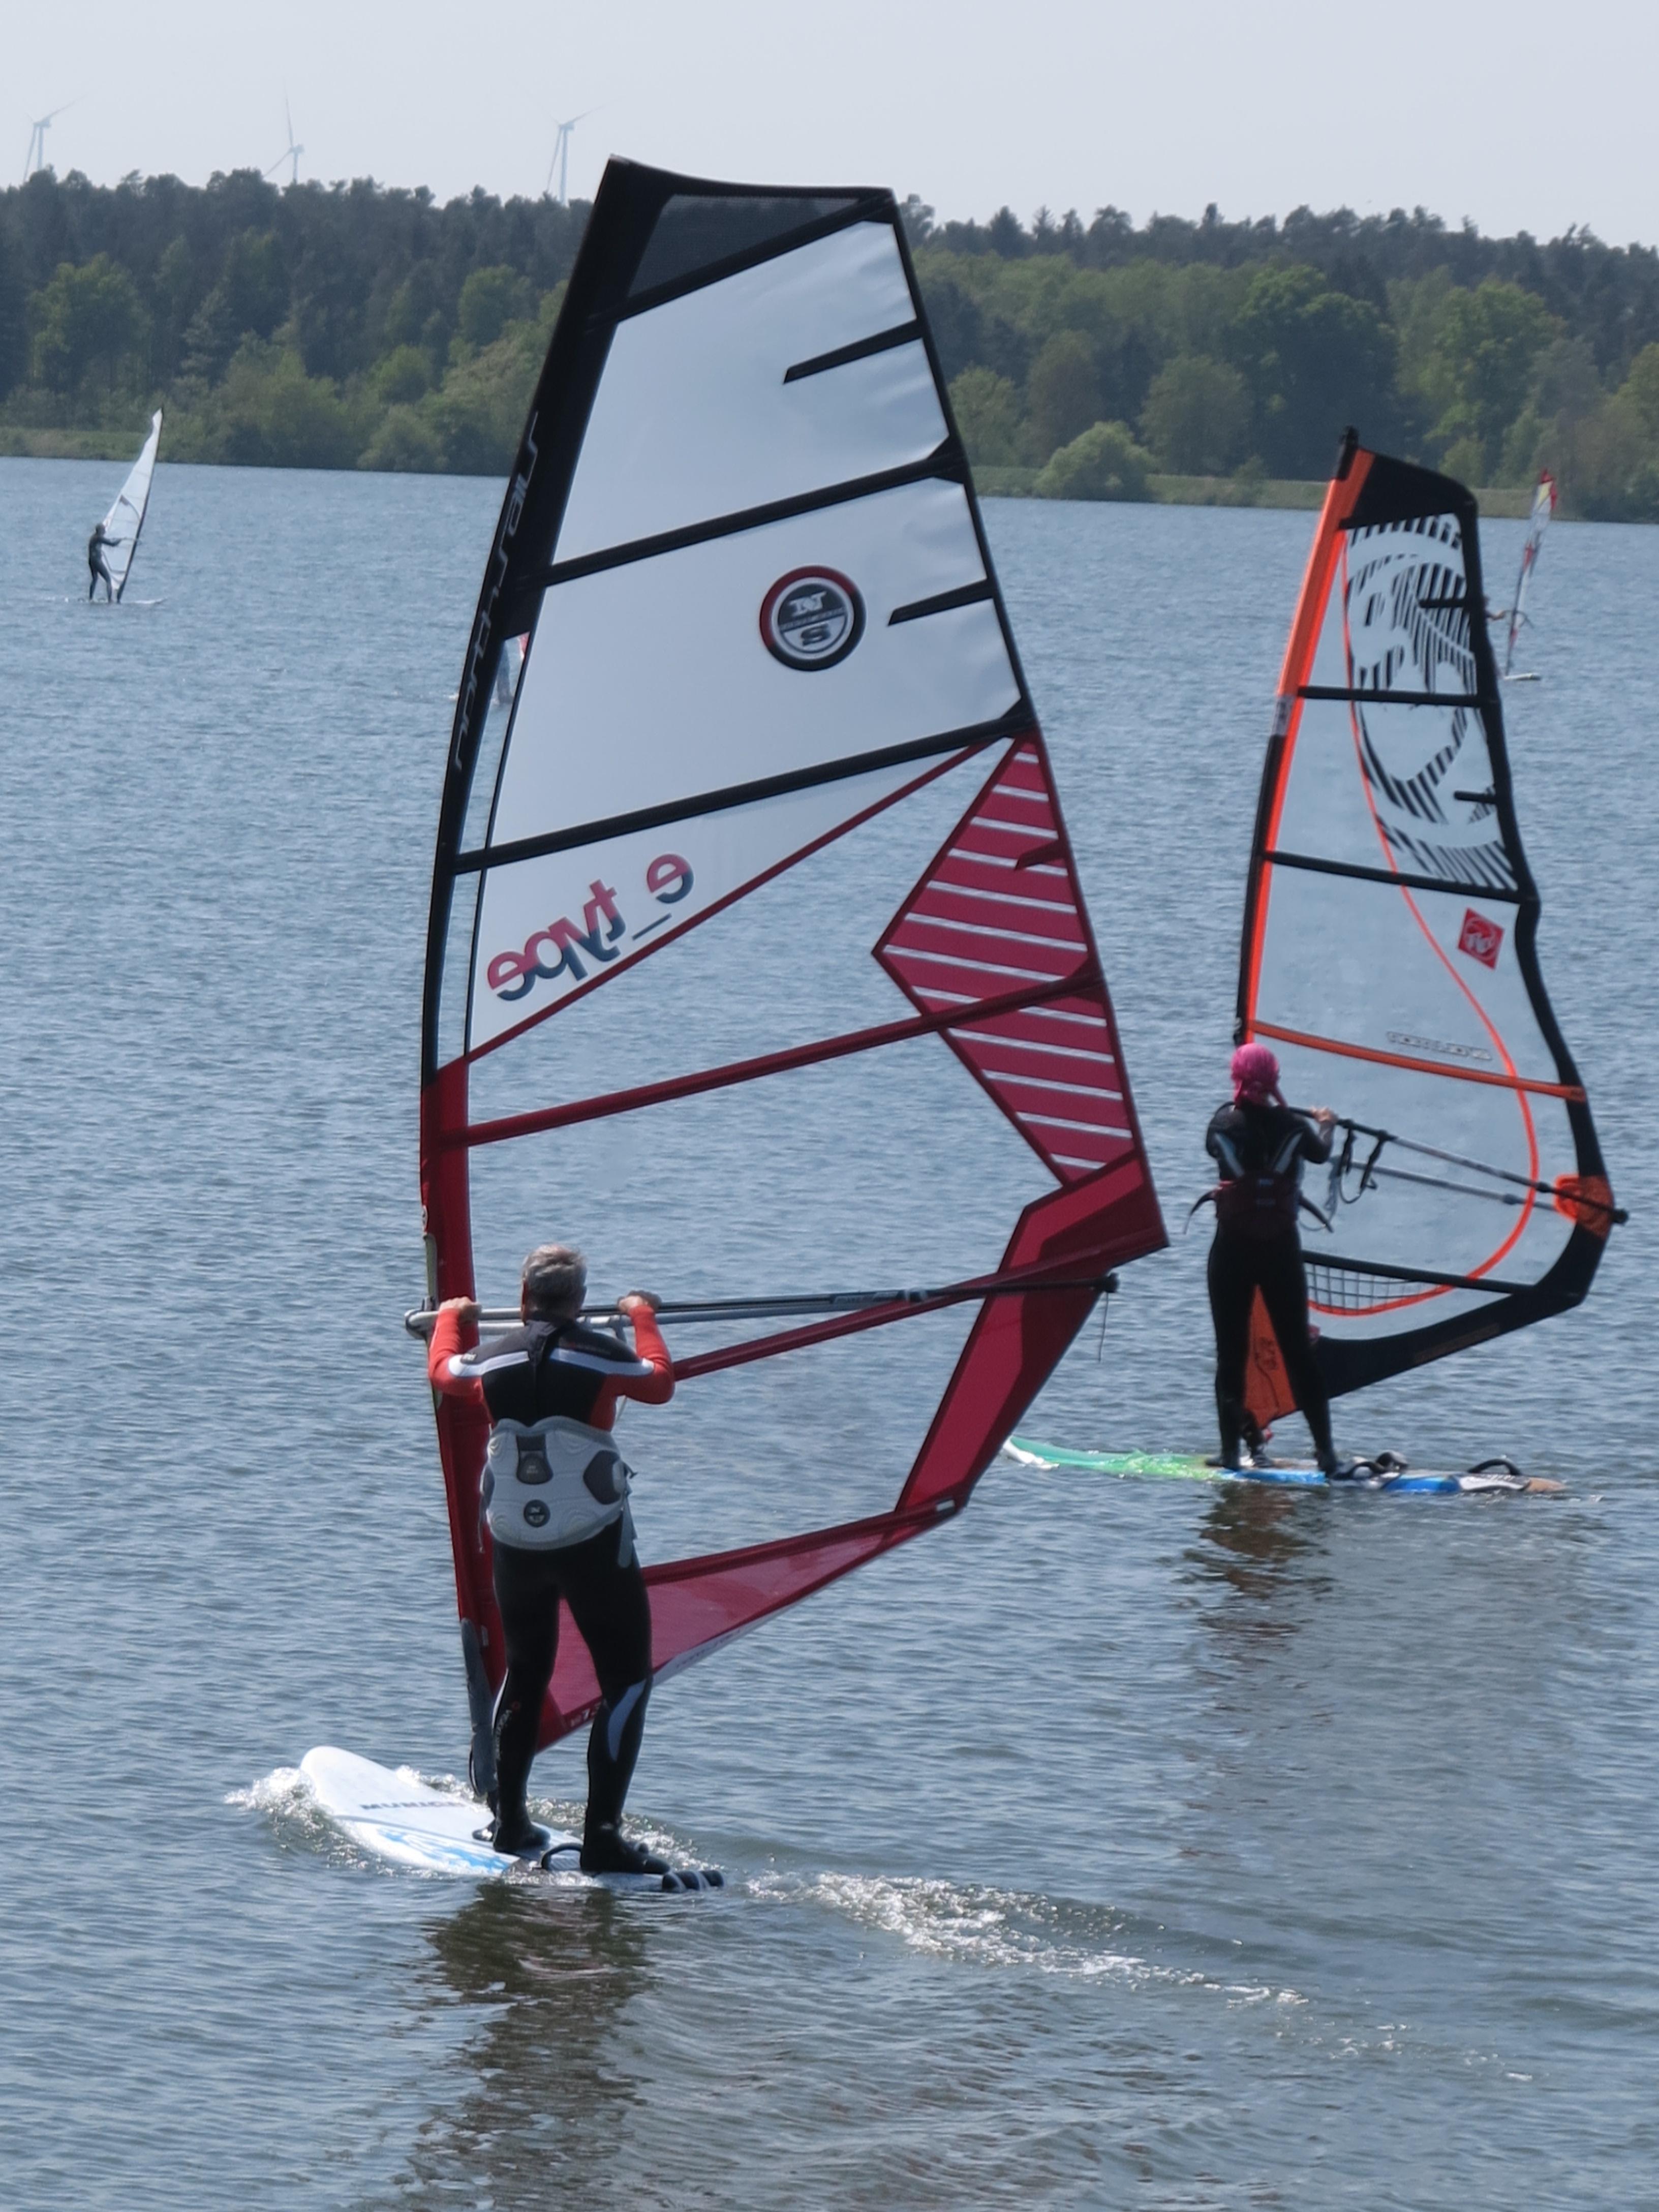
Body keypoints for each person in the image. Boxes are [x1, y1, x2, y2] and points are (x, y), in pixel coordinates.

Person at [425, 1242, 673, 1869]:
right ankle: (604, 1839)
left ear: (523, 1296)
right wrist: (642, 1314)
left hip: (517, 1545)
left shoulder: (488, 1357)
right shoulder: (601, 1352)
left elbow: (443, 1372)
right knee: (626, 1681)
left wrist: (450, 1316)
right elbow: (659, 1381)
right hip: (592, 1541)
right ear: (580, 1302)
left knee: (527, 1669)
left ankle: (510, 1822)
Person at [1204, 1042, 1349, 1477]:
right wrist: (1327, 1124)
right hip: (1280, 1253)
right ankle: (1326, 1454)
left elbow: (1215, 1147)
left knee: (1230, 1355)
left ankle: (1231, 1454)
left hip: (1231, 1253)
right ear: (1274, 1080)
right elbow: (1321, 1153)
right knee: (1298, 1354)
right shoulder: (1294, 1127)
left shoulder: (1221, 1123)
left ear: (1237, 1078)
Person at [87, 520, 120, 602]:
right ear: (100, 531)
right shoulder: (98, 537)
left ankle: (91, 598)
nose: (105, 531)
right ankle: (110, 600)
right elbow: (112, 544)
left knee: (95, 579)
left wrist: (114, 540)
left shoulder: (94, 537)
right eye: (104, 530)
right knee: (108, 579)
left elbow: (106, 540)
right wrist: (121, 540)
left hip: (92, 561)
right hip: (97, 561)